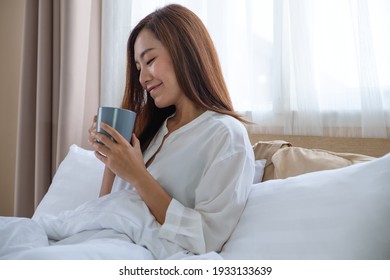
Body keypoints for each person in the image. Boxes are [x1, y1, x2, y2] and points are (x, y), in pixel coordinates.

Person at [88, 4, 255, 255]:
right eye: (138, 67)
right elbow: (105, 212)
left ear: (185, 52)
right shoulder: (153, 130)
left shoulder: (225, 135)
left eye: (150, 60)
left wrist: (137, 175)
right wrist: (112, 160)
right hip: (101, 241)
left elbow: (206, 237)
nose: (142, 78)